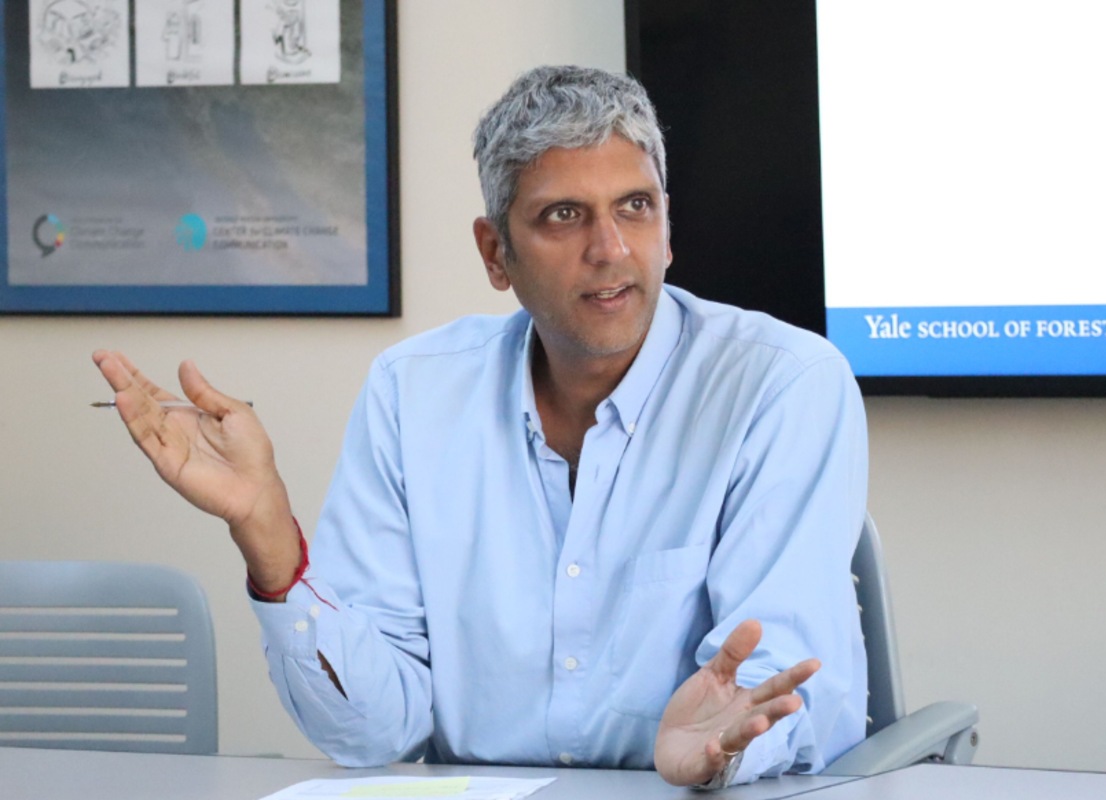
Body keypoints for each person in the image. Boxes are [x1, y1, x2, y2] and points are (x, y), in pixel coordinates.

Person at [93, 65, 868, 789]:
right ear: (495, 253)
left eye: (635, 207)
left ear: (667, 229)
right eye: (564, 215)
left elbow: (778, 677)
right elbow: (374, 732)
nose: (610, 249)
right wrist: (269, 541)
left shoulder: (780, 384)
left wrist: (722, 751)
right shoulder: (413, 391)